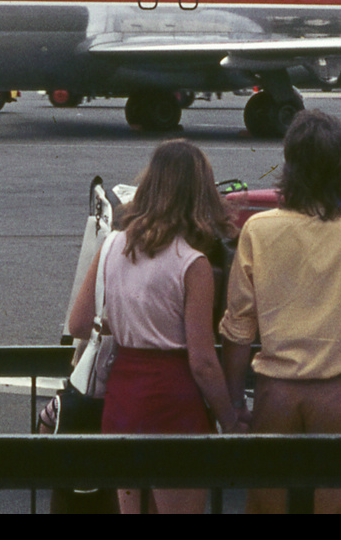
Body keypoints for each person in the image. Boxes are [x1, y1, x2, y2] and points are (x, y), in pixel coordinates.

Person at [219, 109, 341, 514]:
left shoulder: (258, 229)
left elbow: (237, 329)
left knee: (266, 503)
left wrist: (235, 400)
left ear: (291, 169)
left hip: (276, 392)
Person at [68, 140, 241, 513]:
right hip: (174, 402)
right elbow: (202, 362)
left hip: (122, 396)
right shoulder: (191, 263)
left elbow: (78, 322)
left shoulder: (114, 245)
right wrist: (230, 418)